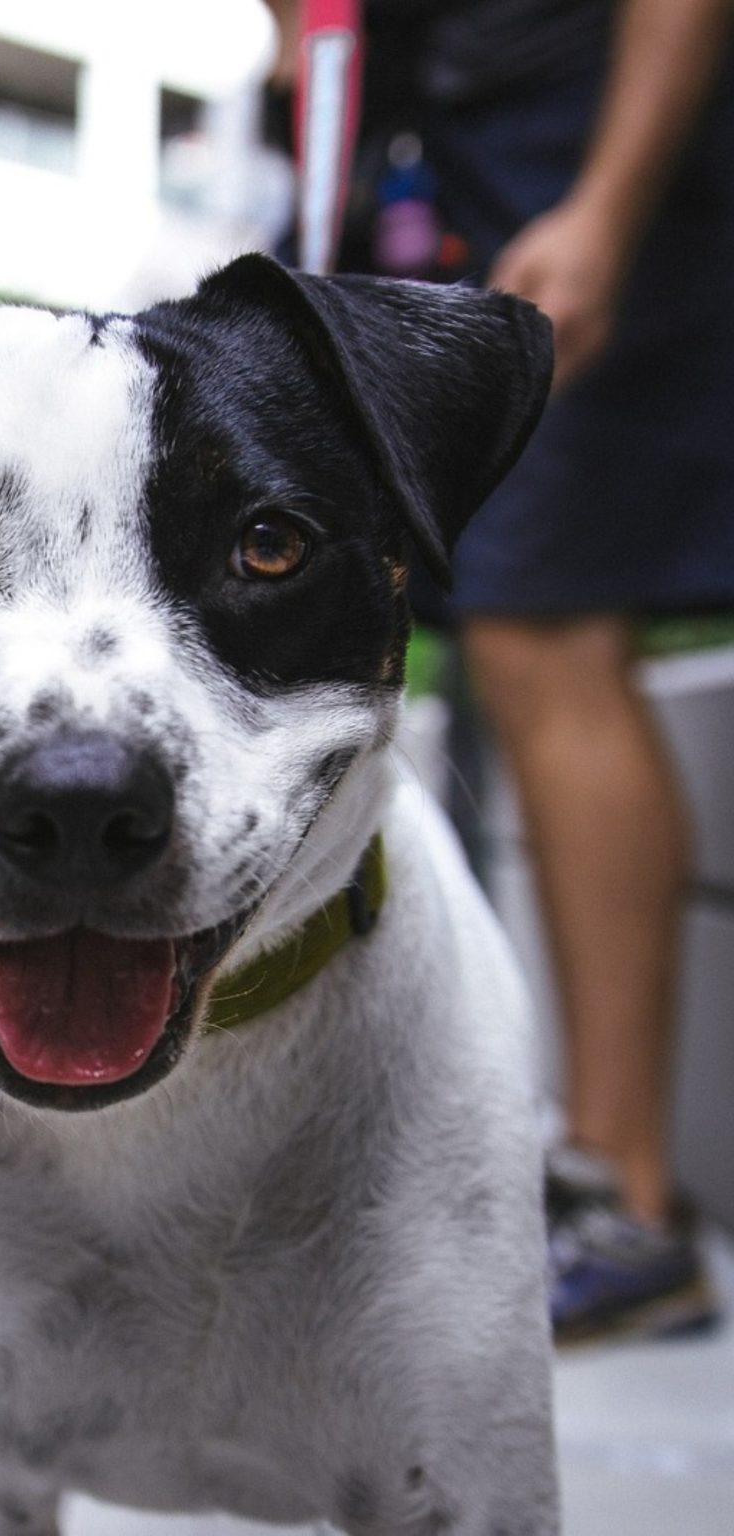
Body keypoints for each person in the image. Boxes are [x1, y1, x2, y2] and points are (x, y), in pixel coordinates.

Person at [267, 0, 734, 1344]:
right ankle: (574, 1178)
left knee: (551, 626)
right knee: (493, 621)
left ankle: (629, 1205)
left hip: (581, 152)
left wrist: (606, 204)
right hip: (454, 149)